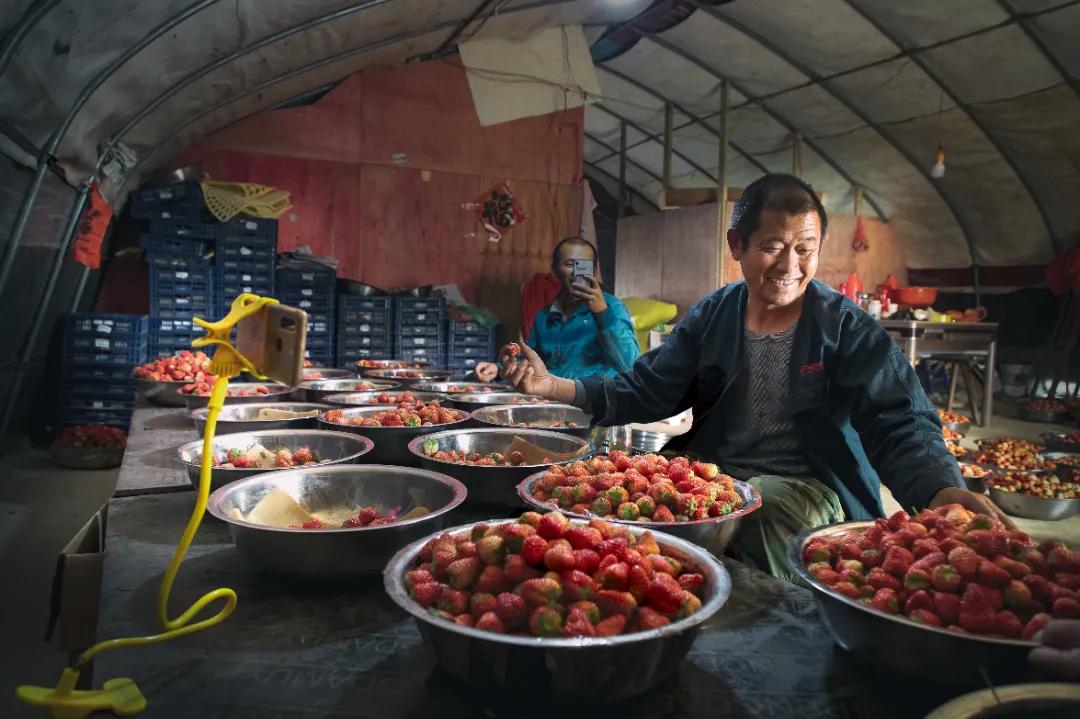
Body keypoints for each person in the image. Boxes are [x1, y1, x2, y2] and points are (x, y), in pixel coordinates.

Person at [498, 173, 1010, 583]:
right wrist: (553, 387)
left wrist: (941, 490)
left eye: (805, 248)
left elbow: (899, 420)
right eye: (772, 246)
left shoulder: (844, 328)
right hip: (715, 471)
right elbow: (646, 388)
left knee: (757, 510)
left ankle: (772, 615)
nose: (790, 265)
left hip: (806, 485)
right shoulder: (714, 316)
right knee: (626, 490)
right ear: (736, 245)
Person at [475, 236, 639, 382]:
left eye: (583, 266)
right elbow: (530, 359)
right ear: (554, 269)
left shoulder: (613, 308)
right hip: (551, 401)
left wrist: (602, 313)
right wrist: (498, 369)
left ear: (594, 271)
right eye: (569, 264)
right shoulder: (544, 316)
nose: (576, 272)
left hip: (595, 403)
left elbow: (631, 366)